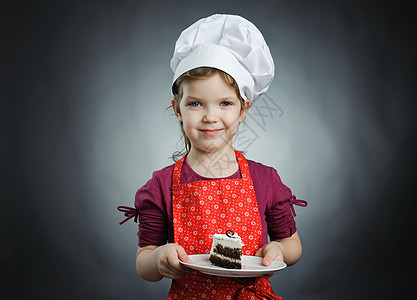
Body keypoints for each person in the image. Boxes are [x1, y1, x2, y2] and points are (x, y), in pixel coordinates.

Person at [118, 14, 307, 299]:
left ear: (243, 110)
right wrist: (159, 258)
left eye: (225, 103)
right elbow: (144, 259)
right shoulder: (161, 184)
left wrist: (279, 250)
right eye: (195, 103)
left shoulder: (265, 179)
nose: (210, 116)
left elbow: (292, 245)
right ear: (178, 109)